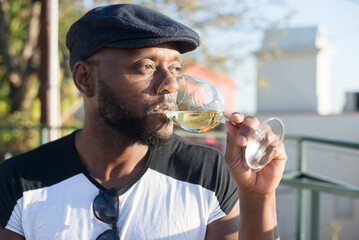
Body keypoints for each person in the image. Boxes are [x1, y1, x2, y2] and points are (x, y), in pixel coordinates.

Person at [0, 4, 287, 240]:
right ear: (85, 79)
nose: (171, 85)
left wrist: (257, 196)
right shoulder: (18, 181)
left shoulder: (207, 173)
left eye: (175, 68)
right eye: (146, 66)